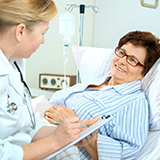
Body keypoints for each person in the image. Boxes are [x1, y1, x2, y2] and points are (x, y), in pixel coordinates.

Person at [0, 0, 99, 159]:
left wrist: (69, 134)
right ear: (20, 32)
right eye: (43, 32)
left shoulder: (15, 63)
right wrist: (54, 141)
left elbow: (26, 127)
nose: (43, 40)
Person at [44, 31, 160, 160]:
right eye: (121, 53)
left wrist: (74, 126)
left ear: (144, 72)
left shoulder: (134, 102)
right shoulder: (94, 82)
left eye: (132, 60)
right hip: (39, 129)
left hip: (60, 150)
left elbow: (126, 152)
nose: (121, 61)